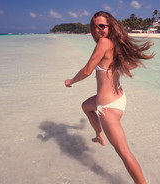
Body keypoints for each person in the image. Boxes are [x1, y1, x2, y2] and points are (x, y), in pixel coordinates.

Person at [65, 11, 154, 184]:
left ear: (110, 26)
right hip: (117, 98)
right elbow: (131, 64)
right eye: (95, 27)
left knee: (124, 152)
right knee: (86, 106)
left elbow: (87, 70)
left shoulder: (104, 43)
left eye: (101, 26)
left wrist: (72, 81)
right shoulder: (114, 44)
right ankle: (99, 135)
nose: (98, 30)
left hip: (108, 108)